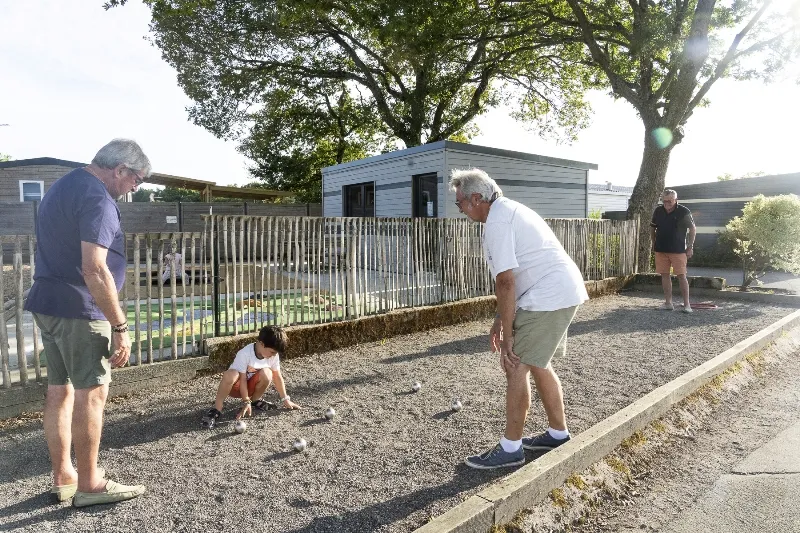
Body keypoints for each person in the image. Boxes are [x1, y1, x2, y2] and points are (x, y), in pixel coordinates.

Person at [24, 139, 149, 507]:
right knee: (91, 393)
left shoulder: (63, 186)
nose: (134, 189)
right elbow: (94, 268)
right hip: (79, 307)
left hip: (47, 301)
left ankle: (64, 476)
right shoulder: (97, 198)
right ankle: (90, 484)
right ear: (120, 169)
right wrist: (120, 327)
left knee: (58, 390)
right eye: (136, 180)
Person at [449, 168, 589, 469]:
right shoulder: (508, 211)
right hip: (557, 291)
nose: (459, 209)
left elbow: (506, 281)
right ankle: (557, 434)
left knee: (516, 365)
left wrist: (509, 337)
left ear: (477, 198)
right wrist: (502, 319)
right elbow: (514, 280)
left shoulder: (498, 221)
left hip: (548, 295)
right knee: (538, 363)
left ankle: (511, 448)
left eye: (460, 202)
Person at [201, 325, 301, 429]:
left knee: (267, 373)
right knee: (230, 374)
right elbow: (243, 379)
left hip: (251, 387)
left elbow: (277, 376)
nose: (273, 355)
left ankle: (255, 400)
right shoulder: (245, 353)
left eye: (275, 353)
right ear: (262, 344)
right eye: (272, 352)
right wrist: (245, 401)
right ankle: (217, 409)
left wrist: (285, 399)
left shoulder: (273, 355)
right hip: (236, 387)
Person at [650, 189, 696, 313]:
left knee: (681, 276)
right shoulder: (658, 211)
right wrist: (654, 243)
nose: (667, 203)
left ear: (675, 199)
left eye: (669, 201)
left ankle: (687, 305)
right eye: (664, 201)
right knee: (664, 275)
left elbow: (692, 229)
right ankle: (668, 303)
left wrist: (690, 246)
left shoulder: (683, 211)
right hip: (661, 249)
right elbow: (653, 228)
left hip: (678, 250)